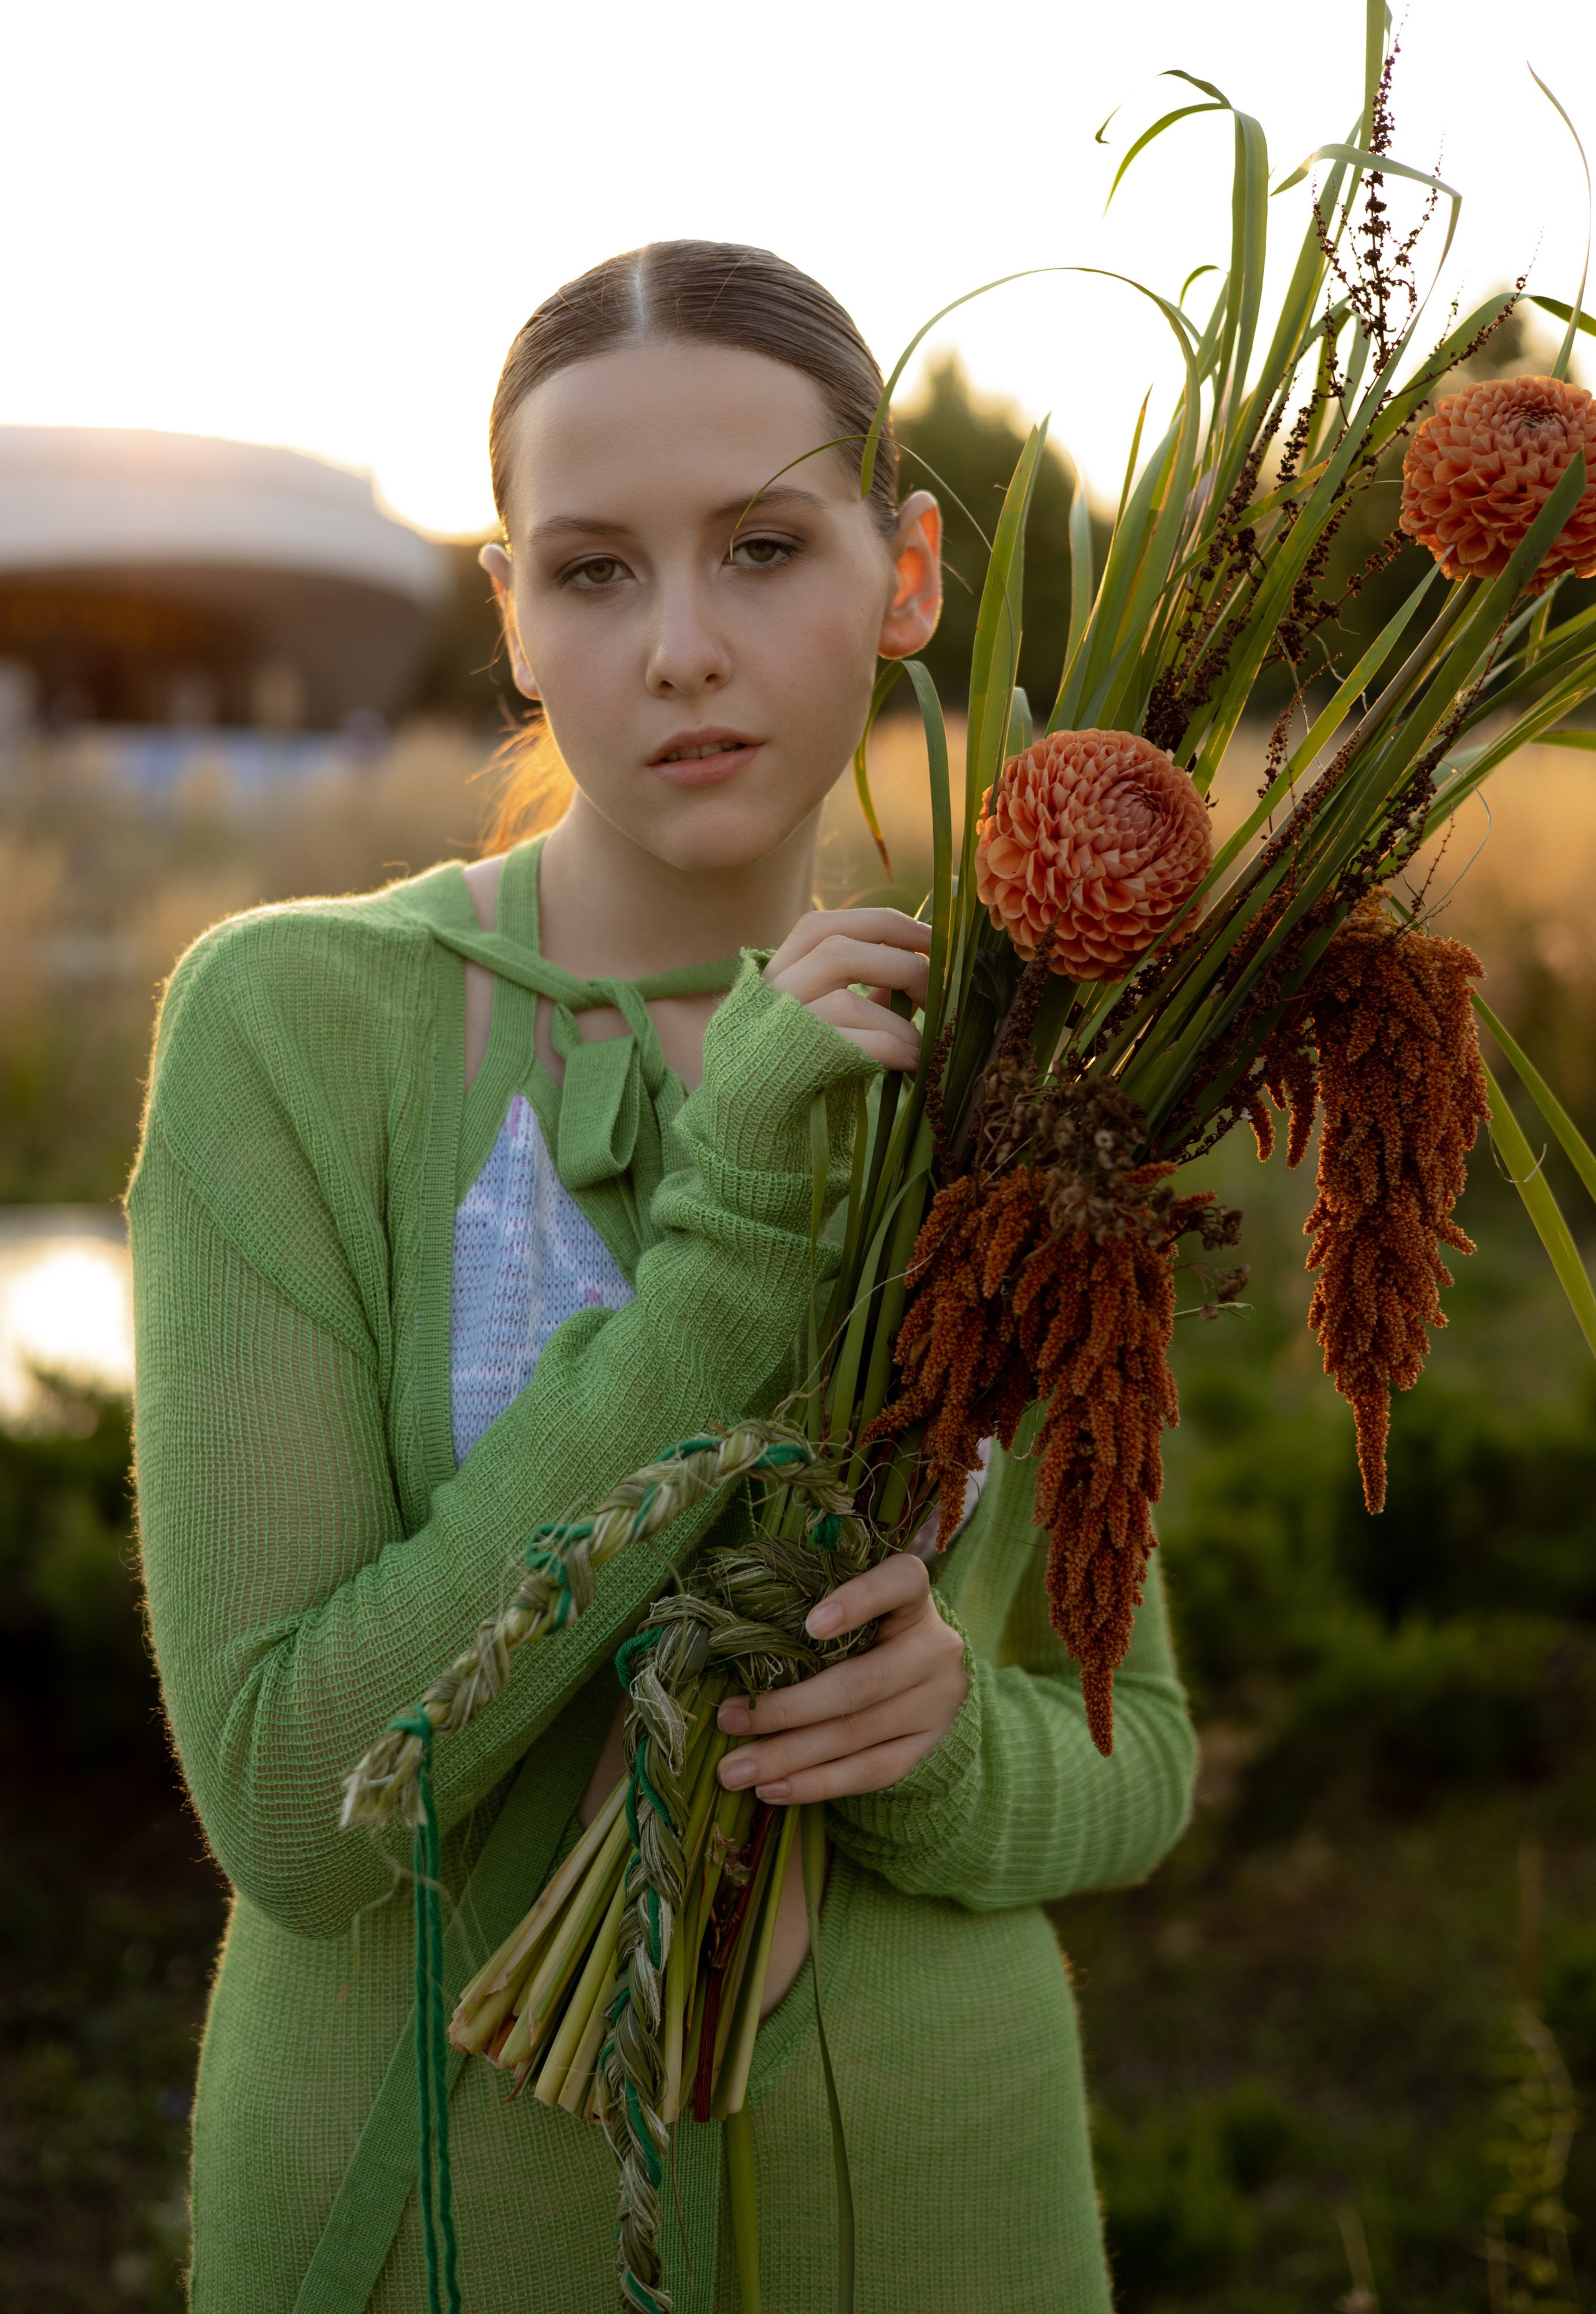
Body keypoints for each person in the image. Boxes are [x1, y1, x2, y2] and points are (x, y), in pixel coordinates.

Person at [130, 239, 1197, 2314]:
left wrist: (941, 1751)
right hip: (426, 2213)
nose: (683, 647)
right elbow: (294, 1802)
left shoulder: (1022, 1071)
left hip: (945, 2205)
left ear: (907, 578)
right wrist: (729, 1255)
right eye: (597, 570)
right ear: (513, 616)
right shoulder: (291, 1027)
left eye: (765, 547)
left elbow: (1136, 1755)